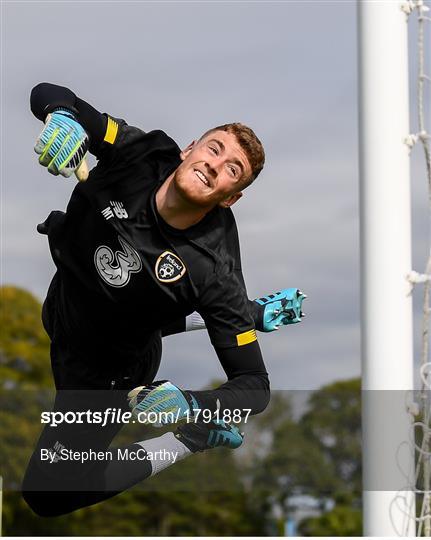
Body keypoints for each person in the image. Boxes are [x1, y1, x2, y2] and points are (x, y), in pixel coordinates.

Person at [22, 83, 306, 517]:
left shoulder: (215, 269)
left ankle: (193, 437)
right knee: (120, 300)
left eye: (232, 170)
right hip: (67, 300)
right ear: (189, 149)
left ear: (231, 197)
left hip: (106, 374)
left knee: (47, 494)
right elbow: (49, 92)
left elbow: (255, 388)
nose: (215, 166)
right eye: (214, 149)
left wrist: (194, 405)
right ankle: (246, 316)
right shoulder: (143, 152)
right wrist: (60, 115)